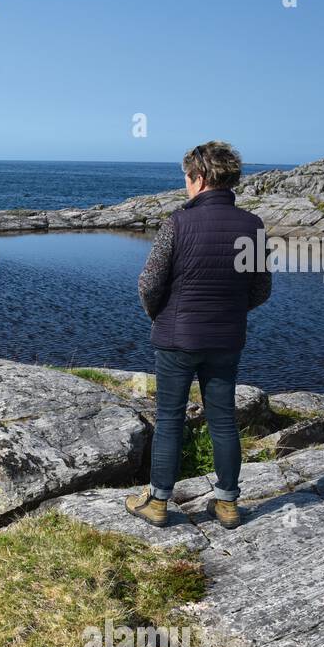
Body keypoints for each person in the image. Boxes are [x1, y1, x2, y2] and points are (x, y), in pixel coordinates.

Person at [124, 141, 272, 530]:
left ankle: (157, 502)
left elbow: (149, 283)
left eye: (187, 179)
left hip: (176, 337)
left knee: (170, 419)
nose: (186, 186)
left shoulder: (178, 223)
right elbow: (260, 290)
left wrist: (160, 315)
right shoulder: (252, 226)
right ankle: (227, 504)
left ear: (200, 177)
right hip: (227, 338)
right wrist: (228, 312)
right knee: (222, 419)